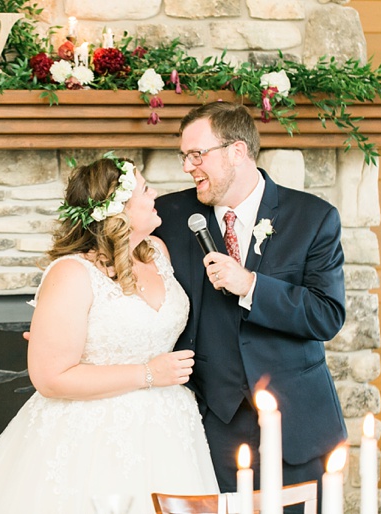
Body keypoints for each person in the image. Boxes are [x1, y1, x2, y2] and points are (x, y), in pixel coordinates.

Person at [0, 154, 218, 514]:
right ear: (121, 210)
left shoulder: (157, 254)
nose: (156, 195)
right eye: (146, 190)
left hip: (168, 427)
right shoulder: (71, 273)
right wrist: (149, 374)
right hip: (92, 434)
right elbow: (50, 378)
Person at [153, 102, 347, 503]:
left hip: (300, 425)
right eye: (184, 156)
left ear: (237, 152)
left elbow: (326, 315)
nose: (188, 167)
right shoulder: (168, 215)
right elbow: (106, 255)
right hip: (212, 426)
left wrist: (251, 285)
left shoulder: (313, 217)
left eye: (197, 154)